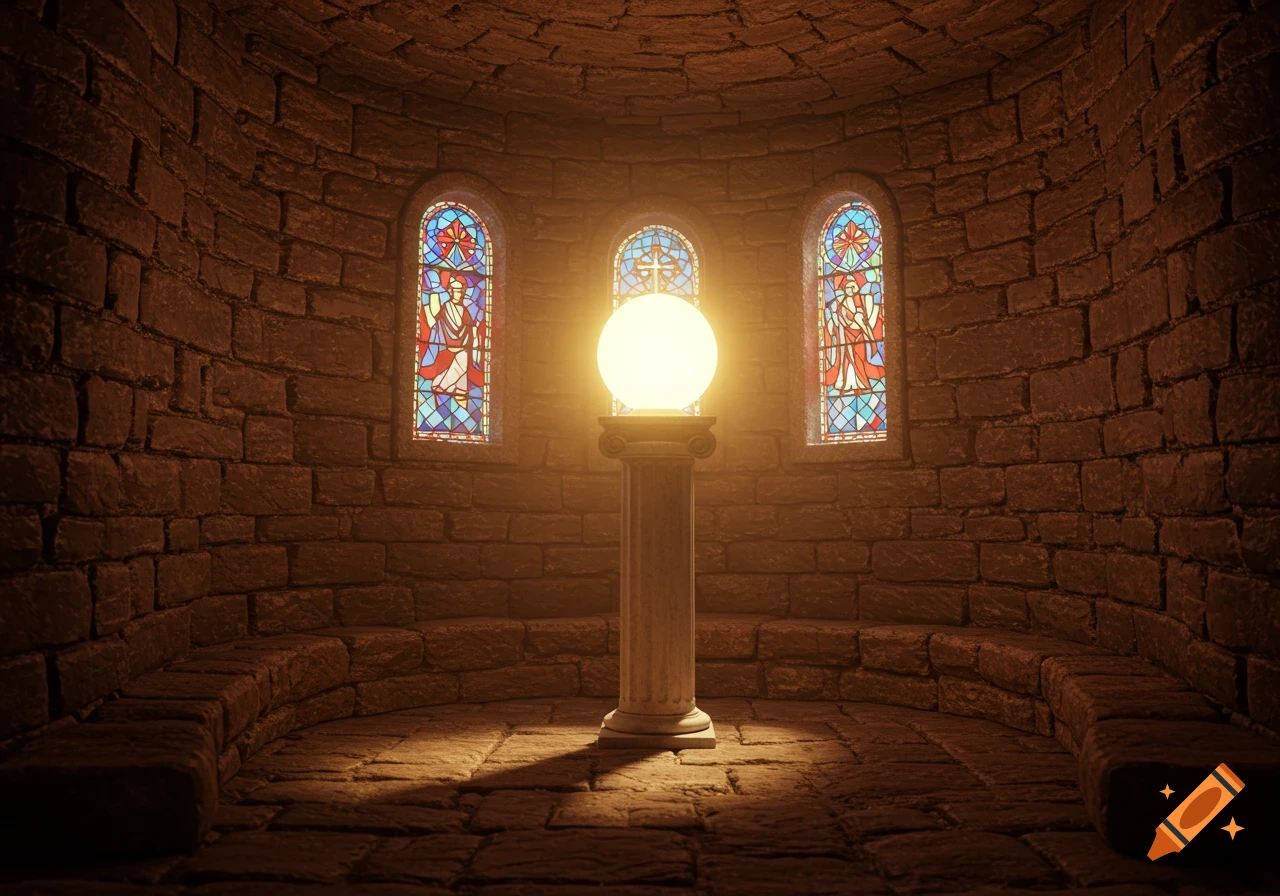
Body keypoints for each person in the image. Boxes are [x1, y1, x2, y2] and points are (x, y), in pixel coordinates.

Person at [418, 276, 483, 399]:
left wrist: (474, 332)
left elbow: (470, 328)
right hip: (445, 346)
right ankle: (442, 388)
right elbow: (434, 321)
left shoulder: (465, 311)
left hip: (463, 347)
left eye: (461, 291)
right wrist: (431, 297)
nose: (459, 294)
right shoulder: (446, 307)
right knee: (462, 358)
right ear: (450, 291)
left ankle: (451, 390)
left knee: (464, 357)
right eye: (456, 290)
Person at [823, 283, 884, 393]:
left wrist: (859, 321)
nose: (850, 290)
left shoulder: (858, 303)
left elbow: (863, 319)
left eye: (852, 288)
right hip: (846, 336)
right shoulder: (841, 305)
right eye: (848, 288)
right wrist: (849, 322)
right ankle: (847, 384)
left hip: (858, 336)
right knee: (847, 360)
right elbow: (841, 320)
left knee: (859, 359)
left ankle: (861, 383)